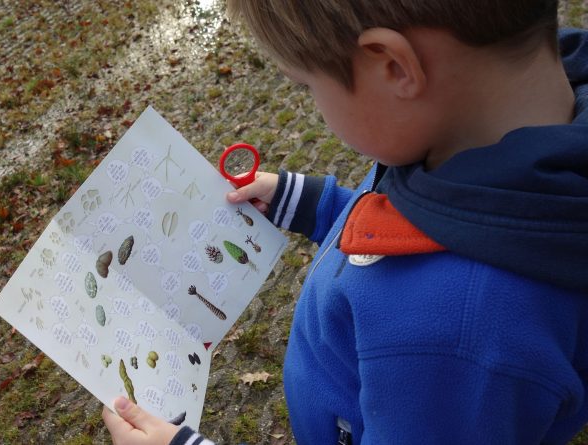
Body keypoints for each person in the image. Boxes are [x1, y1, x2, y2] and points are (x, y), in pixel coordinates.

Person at [103, 0, 588, 443]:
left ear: (395, 67)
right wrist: (311, 203)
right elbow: (403, 226)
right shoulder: (490, 152)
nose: (313, 100)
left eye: (307, 84)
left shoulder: (451, 341)